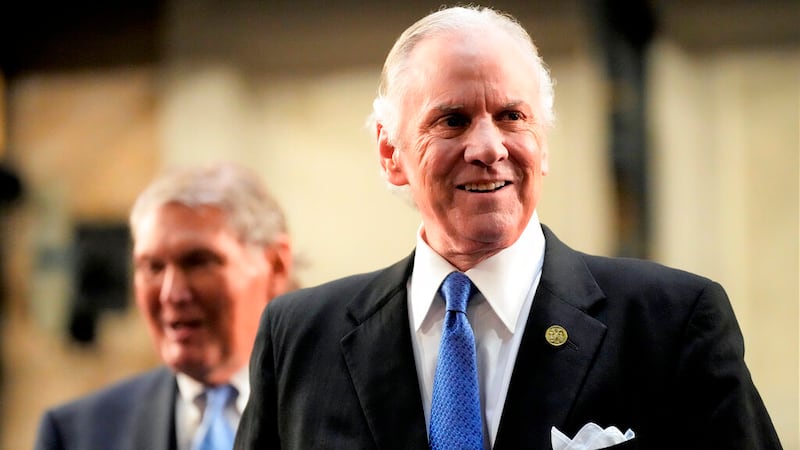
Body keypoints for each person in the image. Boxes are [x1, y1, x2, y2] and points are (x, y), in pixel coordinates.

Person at [235, 5, 782, 450]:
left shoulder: (670, 322)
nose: (488, 148)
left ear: (543, 144)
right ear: (390, 152)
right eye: (452, 120)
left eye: (512, 117)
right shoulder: (299, 339)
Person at [34, 162, 294, 450]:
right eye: (153, 267)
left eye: (199, 262)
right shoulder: (76, 436)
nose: (172, 293)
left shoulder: (329, 412)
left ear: (275, 266)